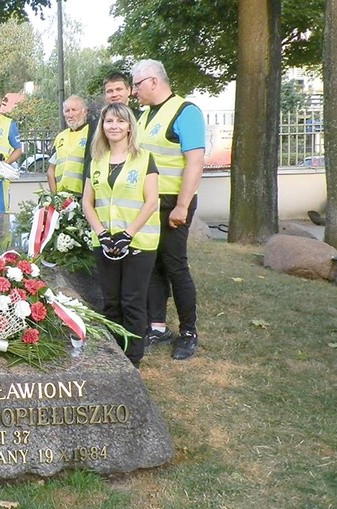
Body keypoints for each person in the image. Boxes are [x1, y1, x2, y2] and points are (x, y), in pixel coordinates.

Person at [131, 59, 206, 360]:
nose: (134, 91)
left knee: (176, 266)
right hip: (149, 203)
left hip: (174, 203)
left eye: (136, 85)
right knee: (153, 265)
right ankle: (158, 326)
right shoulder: (145, 115)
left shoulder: (186, 112)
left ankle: (188, 331)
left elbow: (195, 161)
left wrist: (183, 206)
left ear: (152, 82)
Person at [81, 103, 160, 369]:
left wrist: (128, 234)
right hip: (105, 242)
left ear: (129, 126)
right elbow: (87, 202)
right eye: (108, 121)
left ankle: (133, 359)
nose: (114, 126)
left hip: (137, 243)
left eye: (120, 121)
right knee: (111, 301)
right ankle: (114, 356)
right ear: (102, 127)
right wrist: (102, 234)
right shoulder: (97, 161)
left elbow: (151, 202)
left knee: (132, 301)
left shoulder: (144, 158)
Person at [83, 71, 133, 183]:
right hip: (102, 182)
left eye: (119, 89)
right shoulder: (95, 124)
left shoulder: (141, 118)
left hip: (132, 181)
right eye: (110, 91)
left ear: (129, 90)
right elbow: (89, 159)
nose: (114, 94)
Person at [47, 95, 89, 196]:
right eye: (67, 111)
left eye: (74, 110)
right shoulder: (61, 137)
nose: (70, 115)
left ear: (85, 112)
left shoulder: (91, 133)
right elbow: (51, 170)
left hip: (83, 194)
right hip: (62, 195)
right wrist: (55, 197)